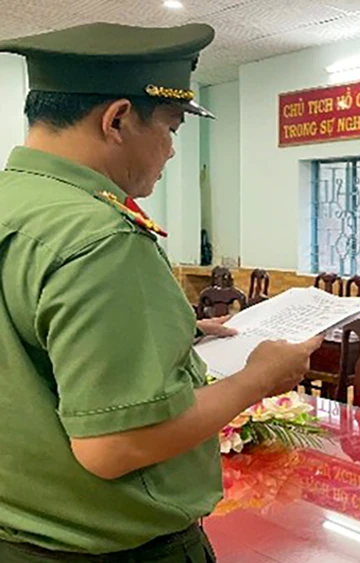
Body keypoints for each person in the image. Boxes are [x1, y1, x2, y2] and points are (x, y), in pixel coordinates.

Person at [0, 23, 323, 561]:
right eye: (171, 127)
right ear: (118, 120)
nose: (173, 150)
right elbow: (116, 445)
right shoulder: (98, 236)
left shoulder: (16, 202)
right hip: (107, 547)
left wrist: (173, 332)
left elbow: (26, 340)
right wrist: (259, 378)